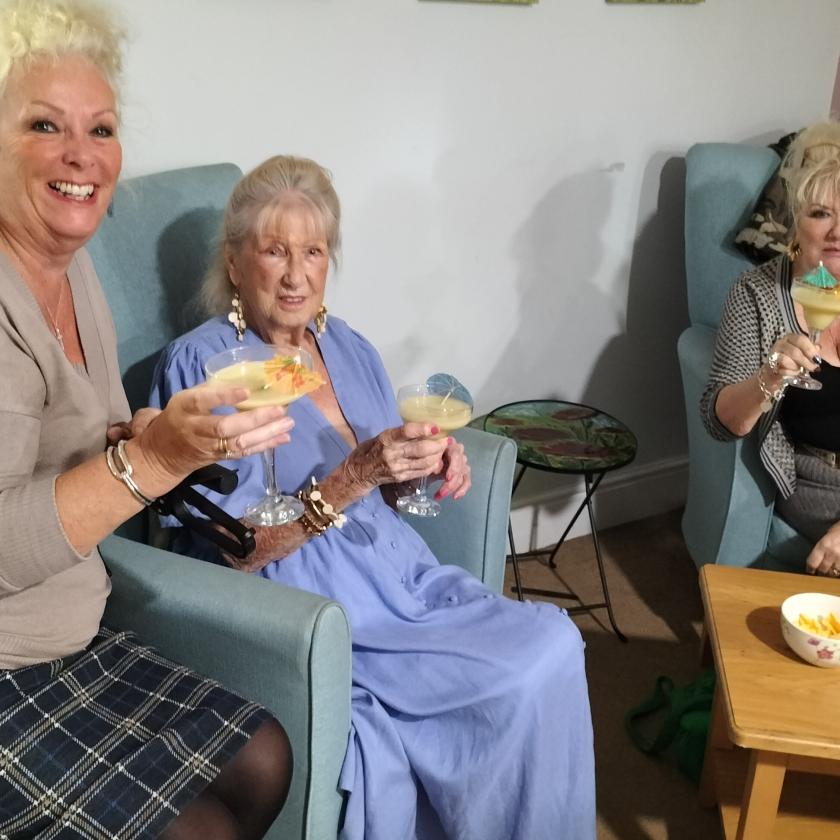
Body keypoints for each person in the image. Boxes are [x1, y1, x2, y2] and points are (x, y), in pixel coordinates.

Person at [151, 154, 595, 840]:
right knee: (525, 669)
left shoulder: (349, 347)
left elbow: (385, 492)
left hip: (401, 576)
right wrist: (349, 479)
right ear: (237, 265)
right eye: (274, 251)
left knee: (555, 641)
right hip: (317, 603)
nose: (296, 273)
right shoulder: (203, 366)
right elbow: (232, 550)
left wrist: (422, 465)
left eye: (313, 251)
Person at [0, 2, 293, 837]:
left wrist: (155, 439)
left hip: (72, 624)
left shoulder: (72, 264)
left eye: (101, 127)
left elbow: (70, 445)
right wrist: (149, 465)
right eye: (44, 124)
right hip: (8, 658)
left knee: (266, 751)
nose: (80, 155)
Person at [702, 121, 840, 577]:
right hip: (818, 482)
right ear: (796, 220)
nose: (836, 230)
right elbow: (721, 421)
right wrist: (771, 376)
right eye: (821, 213)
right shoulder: (757, 294)